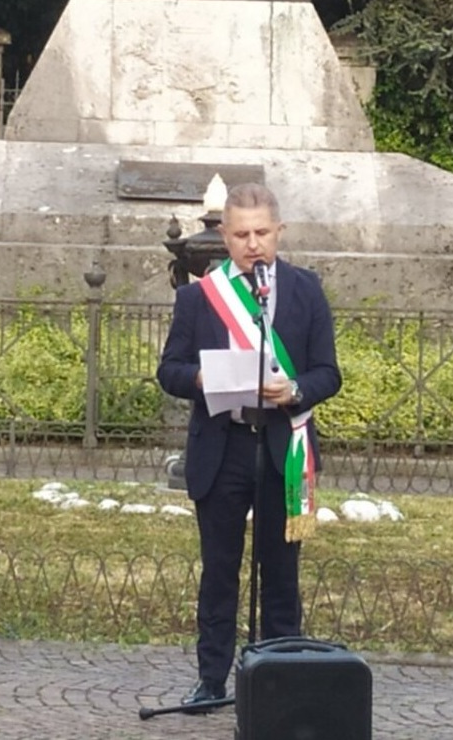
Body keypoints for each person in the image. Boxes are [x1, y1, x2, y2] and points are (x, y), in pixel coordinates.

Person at [156, 182, 341, 707]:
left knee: (280, 572)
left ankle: (279, 680)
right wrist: (204, 379)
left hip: (282, 446)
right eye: (241, 234)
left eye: (262, 232)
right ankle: (211, 681)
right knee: (219, 572)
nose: (252, 243)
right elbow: (169, 369)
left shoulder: (306, 290)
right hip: (224, 446)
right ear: (226, 237)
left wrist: (296, 389)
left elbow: (329, 372)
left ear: (278, 232)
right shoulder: (199, 297)